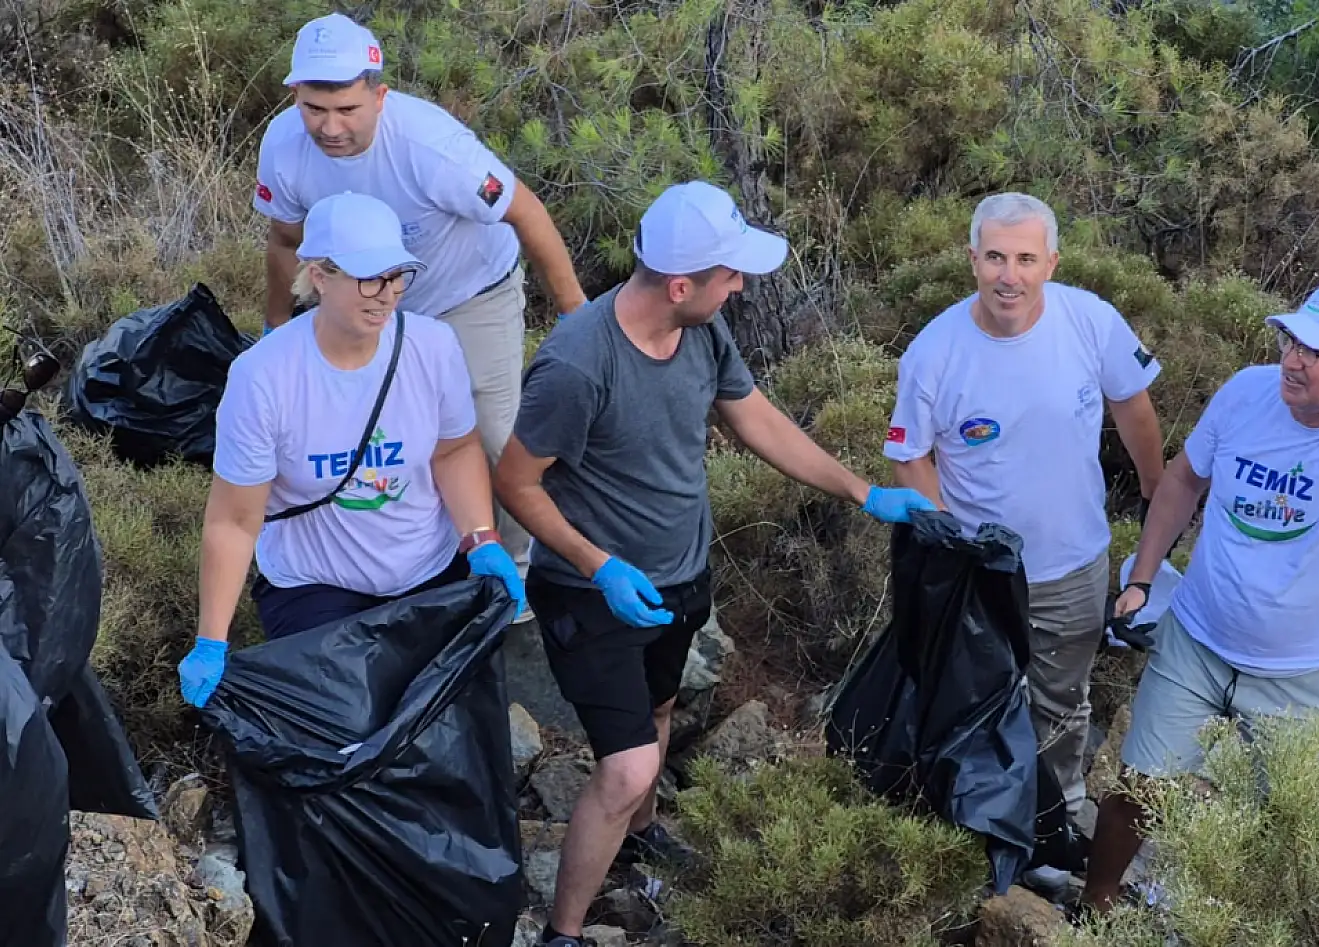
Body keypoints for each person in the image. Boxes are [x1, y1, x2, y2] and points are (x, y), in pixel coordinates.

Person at [492, 180, 939, 947]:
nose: (739, 285)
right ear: (679, 283)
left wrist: (863, 492)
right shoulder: (577, 363)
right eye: (729, 275)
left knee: (662, 707)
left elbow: (755, 415)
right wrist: (599, 565)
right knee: (628, 764)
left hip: (678, 573)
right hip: (589, 592)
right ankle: (562, 932)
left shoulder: (701, 331)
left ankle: (640, 832)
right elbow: (516, 480)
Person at [1079, 279, 1319, 913]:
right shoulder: (1246, 392)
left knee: (1280, 825)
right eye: (1292, 341)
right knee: (1139, 785)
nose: (1293, 360)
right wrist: (1143, 577)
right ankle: (1094, 906)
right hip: (1199, 642)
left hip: (1305, 674)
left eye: (1316, 352)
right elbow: (1182, 479)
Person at [251, 12, 587, 619]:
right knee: (371, 435)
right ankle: (376, 565)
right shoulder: (283, 147)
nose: (329, 127)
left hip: (463, 293)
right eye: (313, 109)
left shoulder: (431, 149)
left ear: (380, 95)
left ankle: (512, 572)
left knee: (488, 430)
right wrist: (275, 327)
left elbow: (525, 212)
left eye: (347, 109)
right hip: (358, 299)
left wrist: (575, 315)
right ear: (295, 96)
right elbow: (284, 240)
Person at [882, 192, 1167, 869]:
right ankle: (971, 827)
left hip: (1071, 566)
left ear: (1052, 262)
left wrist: (1158, 492)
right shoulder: (935, 352)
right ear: (972, 258)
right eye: (996, 257)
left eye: (1026, 259)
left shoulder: (1089, 320)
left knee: (1061, 702)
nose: (1010, 275)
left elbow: (1134, 407)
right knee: (975, 701)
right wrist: (950, 537)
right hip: (982, 578)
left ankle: (1052, 823)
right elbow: (907, 454)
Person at [177, 190, 526, 707]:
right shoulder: (264, 377)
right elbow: (234, 519)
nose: (386, 294)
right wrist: (211, 640)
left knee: (447, 717)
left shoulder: (431, 347)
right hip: (317, 584)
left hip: (425, 568)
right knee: (345, 721)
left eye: (396, 276)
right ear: (319, 276)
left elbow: (454, 450)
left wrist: (481, 537)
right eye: (368, 277)